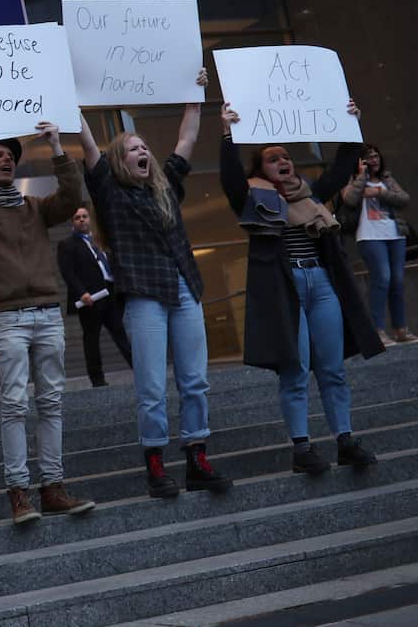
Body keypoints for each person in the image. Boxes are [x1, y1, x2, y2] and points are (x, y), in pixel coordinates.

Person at [78, 69, 232, 499]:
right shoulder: (109, 189)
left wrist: (192, 98)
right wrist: (66, 101)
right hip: (144, 294)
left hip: (185, 288)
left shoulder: (165, 185)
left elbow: (185, 140)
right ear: (119, 162)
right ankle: (155, 465)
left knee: (195, 379)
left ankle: (197, 457)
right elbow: (88, 144)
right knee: (150, 384)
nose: (143, 150)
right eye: (133, 148)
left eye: (144, 145)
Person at [0, 121, 96, 523]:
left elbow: (71, 196)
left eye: (10, 155)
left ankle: (54, 489)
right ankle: (18, 494)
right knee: (14, 404)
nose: (7, 157)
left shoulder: (35, 207)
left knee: (51, 403)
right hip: (8, 318)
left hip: (47, 314)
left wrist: (58, 147)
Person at [219, 101, 381, 473]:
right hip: (285, 288)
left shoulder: (309, 194)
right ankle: (302, 448)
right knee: (295, 369)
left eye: (286, 156)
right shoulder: (253, 198)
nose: (283, 161)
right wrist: (227, 135)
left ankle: (345, 440)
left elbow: (341, 170)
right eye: (274, 158)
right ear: (260, 169)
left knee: (333, 368)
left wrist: (350, 124)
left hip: (321, 285)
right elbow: (229, 180)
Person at [338, 142, 414, 344]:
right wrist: (362, 177)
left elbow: (404, 198)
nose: (374, 160)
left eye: (376, 156)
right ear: (360, 162)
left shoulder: (386, 179)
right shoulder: (352, 182)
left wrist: (380, 193)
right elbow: (350, 200)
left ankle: (400, 329)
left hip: (395, 234)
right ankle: (377, 330)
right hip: (370, 237)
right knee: (382, 279)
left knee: (397, 281)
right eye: (369, 157)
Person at [57, 205, 133, 387]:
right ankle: (97, 380)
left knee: (120, 334)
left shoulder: (99, 241)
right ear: (72, 222)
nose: (82, 219)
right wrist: (81, 293)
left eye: (84, 216)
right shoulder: (67, 245)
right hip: (90, 299)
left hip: (110, 295)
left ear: (90, 219)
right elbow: (68, 273)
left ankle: (139, 368)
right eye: (77, 217)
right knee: (91, 340)